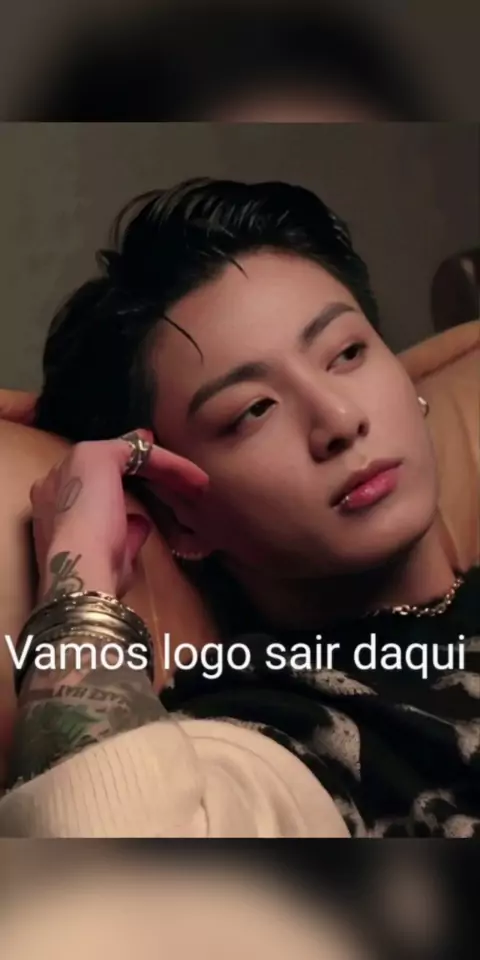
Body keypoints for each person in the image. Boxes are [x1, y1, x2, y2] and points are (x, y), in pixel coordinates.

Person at [0, 177, 478, 837]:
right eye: (253, 410)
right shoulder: (280, 726)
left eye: (347, 353)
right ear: (182, 515)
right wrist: (77, 569)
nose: (339, 420)